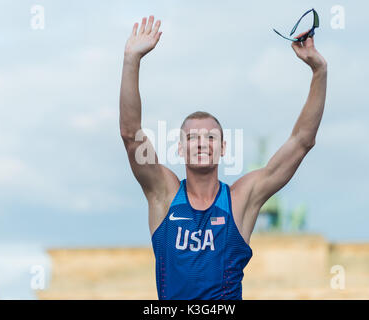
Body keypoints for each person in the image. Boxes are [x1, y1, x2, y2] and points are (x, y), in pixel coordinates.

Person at [119, 15, 327, 300]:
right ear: (180, 148)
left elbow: (302, 141)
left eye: (210, 137)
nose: (202, 143)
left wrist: (319, 72)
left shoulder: (241, 200)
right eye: (192, 137)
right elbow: (131, 134)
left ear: (223, 148)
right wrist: (132, 60)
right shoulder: (164, 195)